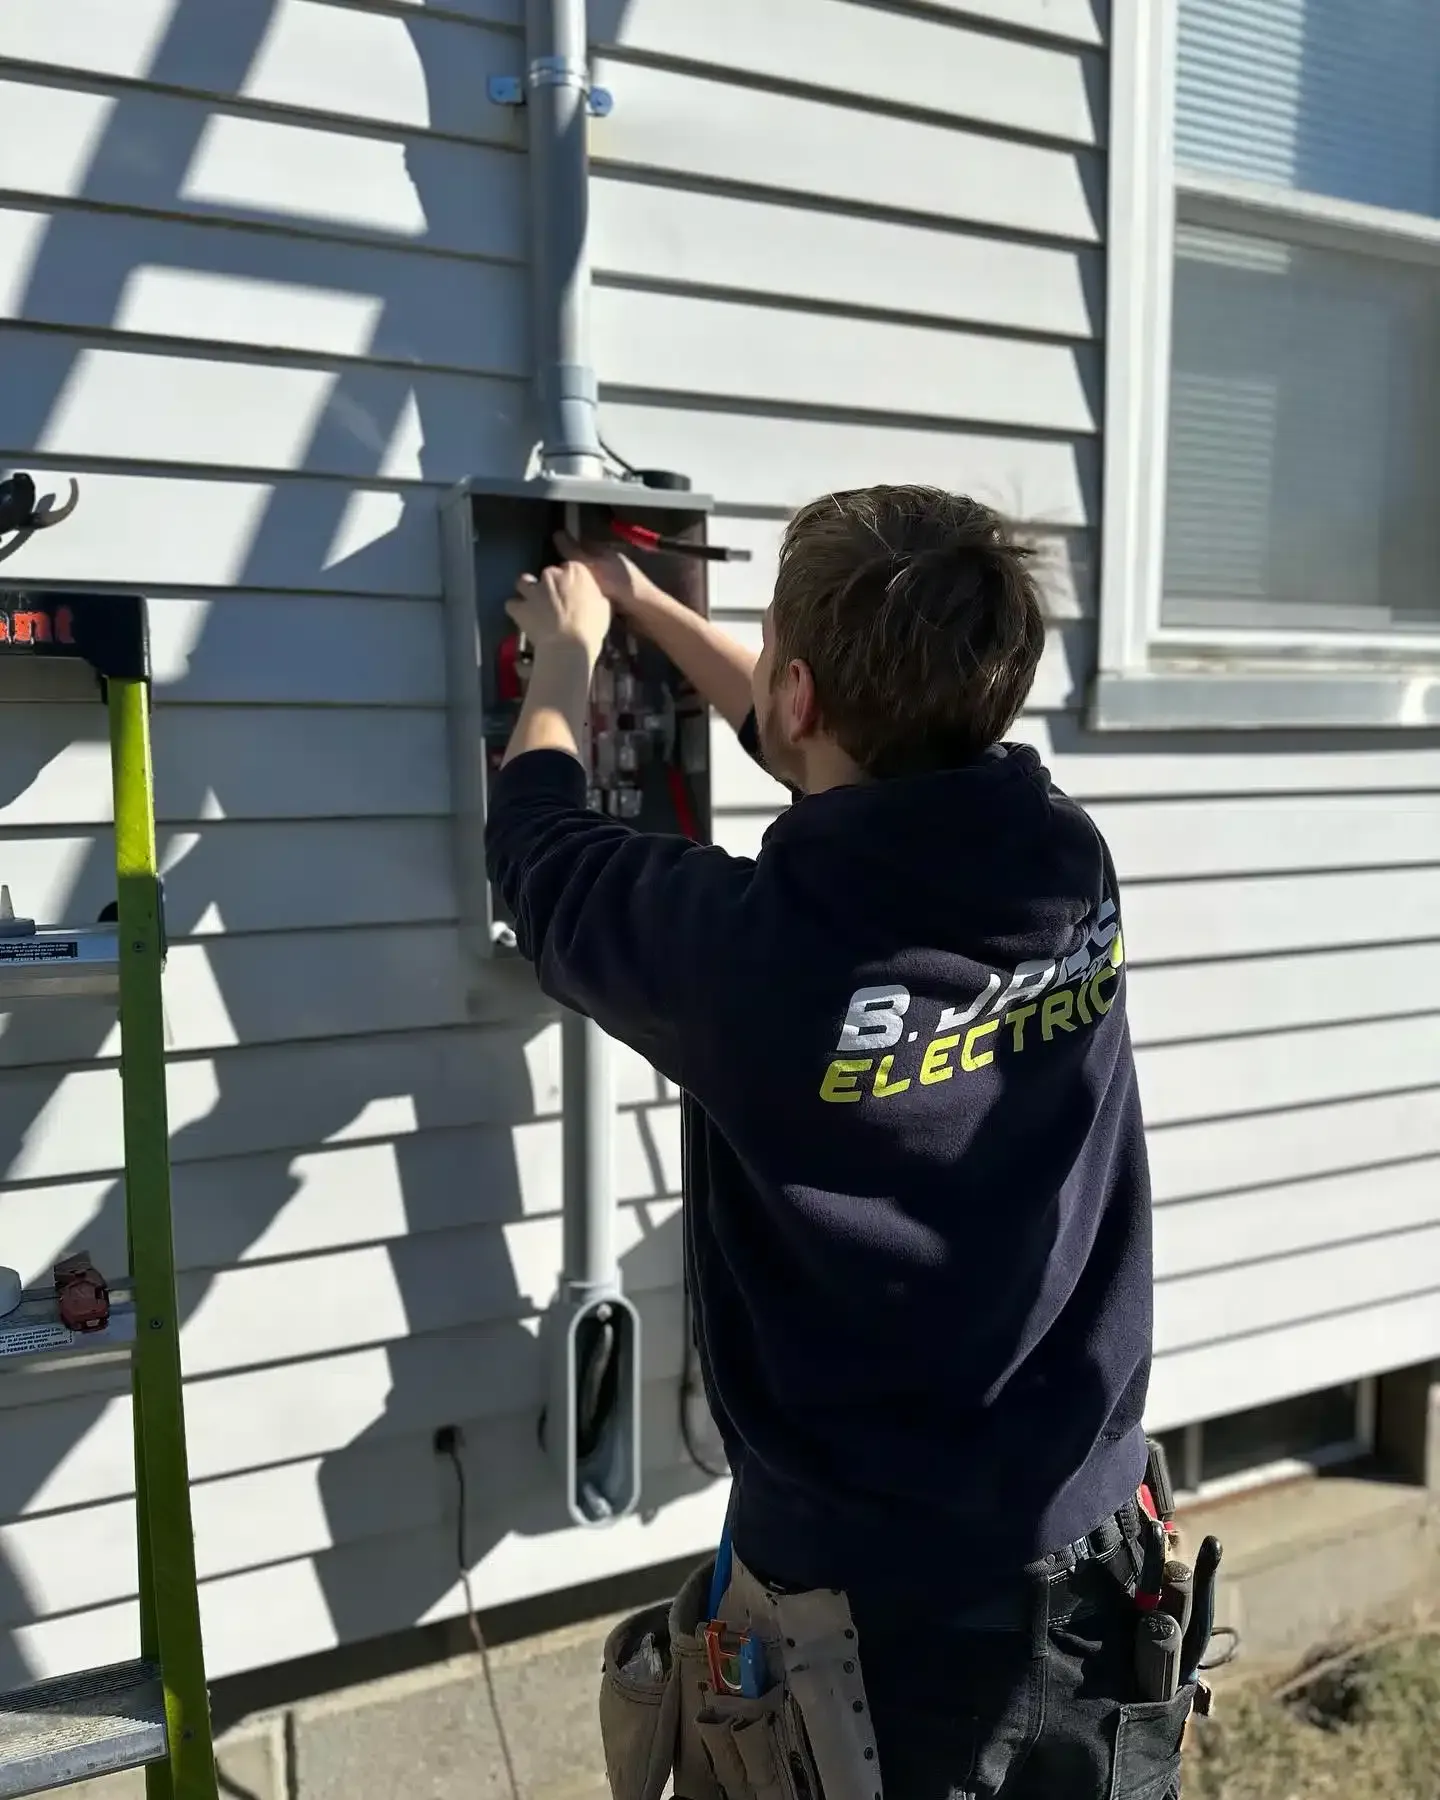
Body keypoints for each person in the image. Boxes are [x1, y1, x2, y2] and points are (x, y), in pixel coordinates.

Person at [484, 486, 1190, 1800]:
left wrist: (567, 652)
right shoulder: (1060, 865)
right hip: (1091, 1538)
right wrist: (649, 604)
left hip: (871, 1616)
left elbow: (538, 844)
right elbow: (844, 746)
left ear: (800, 698)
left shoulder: (755, 957)